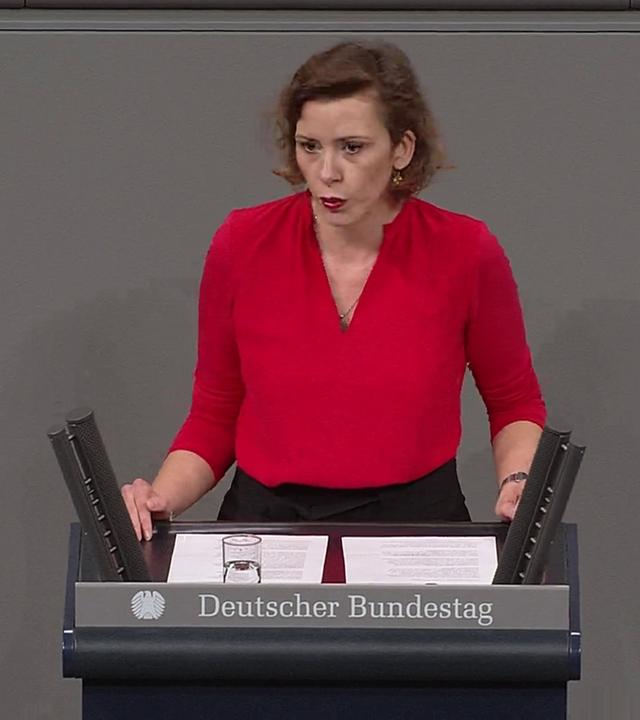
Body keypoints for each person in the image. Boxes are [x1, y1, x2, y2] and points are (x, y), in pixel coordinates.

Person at [122, 41, 545, 542]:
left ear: (402, 148)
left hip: (416, 528)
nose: (327, 172)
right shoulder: (241, 244)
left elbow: (514, 403)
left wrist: (519, 482)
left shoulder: (465, 251)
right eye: (310, 147)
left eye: (352, 147)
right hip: (267, 527)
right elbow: (214, 414)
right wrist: (161, 498)